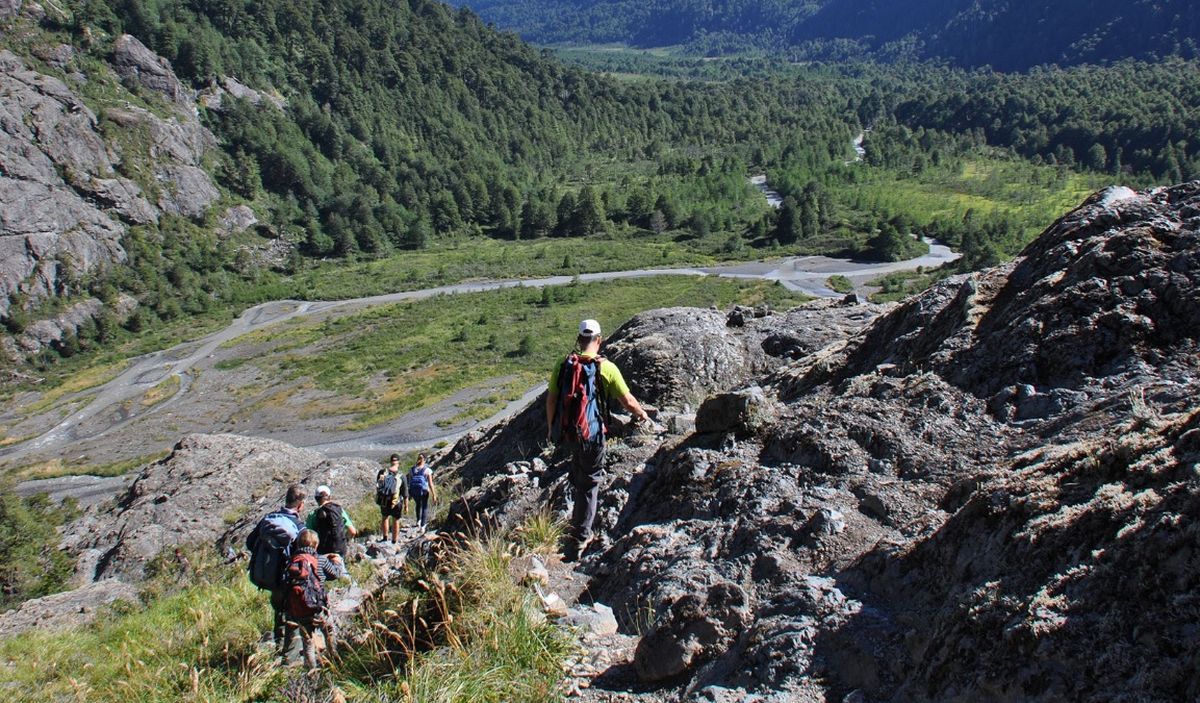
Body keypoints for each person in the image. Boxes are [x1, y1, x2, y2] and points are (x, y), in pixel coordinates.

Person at [546, 319, 654, 560]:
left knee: (579, 472)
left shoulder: (563, 364)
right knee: (590, 483)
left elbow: (552, 400)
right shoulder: (606, 368)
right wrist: (643, 415)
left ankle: (573, 522)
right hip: (592, 435)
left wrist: (551, 428)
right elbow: (628, 402)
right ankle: (578, 540)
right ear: (599, 340)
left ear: (579, 339)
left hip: (568, 433)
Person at [246, 484, 306, 651]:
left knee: (278, 610)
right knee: (291, 615)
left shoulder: (268, 519)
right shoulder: (299, 527)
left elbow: (250, 543)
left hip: (270, 576)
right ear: (300, 505)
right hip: (288, 578)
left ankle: (278, 645)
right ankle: (289, 655)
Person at [279, 529, 348, 669]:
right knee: (328, 632)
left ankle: (311, 671)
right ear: (316, 545)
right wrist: (337, 561)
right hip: (318, 605)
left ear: (298, 544)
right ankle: (335, 661)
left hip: (300, 608)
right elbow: (335, 574)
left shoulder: (292, 561)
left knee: (307, 640)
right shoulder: (320, 559)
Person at [306, 485, 358, 559]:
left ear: (316, 499)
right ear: (329, 497)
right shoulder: (340, 510)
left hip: (322, 553)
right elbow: (352, 531)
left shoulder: (313, 514)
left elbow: (309, 538)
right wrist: (344, 541)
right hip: (339, 551)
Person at [376, 455, 408, 543]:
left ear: (390, 461)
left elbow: (378, 486)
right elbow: (405, 493)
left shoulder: (382, 472)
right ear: (398, 462)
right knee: (396, 520)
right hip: (396, 501)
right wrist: (406, 506)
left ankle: (385, 538)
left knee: (385, 517)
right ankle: (394, 540)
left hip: (384, 500)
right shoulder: (401, 475)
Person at [407, 454, 436, 531]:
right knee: (424, 507)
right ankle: (423, 526)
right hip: (424, 490)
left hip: (414, 491)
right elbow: (430, 483)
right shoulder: (427, 470)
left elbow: (409, 482)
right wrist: (434, 494)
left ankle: (418, 521)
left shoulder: (412, 469)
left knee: (418, 504)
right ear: (425, 460)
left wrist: (409, 493)